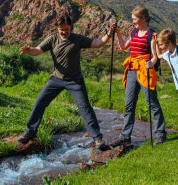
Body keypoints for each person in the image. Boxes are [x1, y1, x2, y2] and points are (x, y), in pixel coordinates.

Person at [18, 15, 115, 149]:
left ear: (71, 27)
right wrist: (29, 51)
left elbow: (97, 43)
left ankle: (97, 139)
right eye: (62, 30)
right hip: (56, 79)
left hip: (75, 81)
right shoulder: (52, 39)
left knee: (85, 108)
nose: (64, 32)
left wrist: (109, 35)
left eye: (67, 29)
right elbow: (38, 50)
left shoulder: (77, 39)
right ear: (57, 28)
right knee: (40, 102)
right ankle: (30, 132)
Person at [113, 6, 167, 146]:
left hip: (145, 70)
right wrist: (117, 32)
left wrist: (151, 62)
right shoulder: (134, 31)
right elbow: (124, 46)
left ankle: (160, 134)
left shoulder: (152, 35)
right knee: (129, 104)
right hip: (132, 70)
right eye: (132, 19)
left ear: (143, 18)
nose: (133, 22)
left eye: (135, 19)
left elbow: (155, 57)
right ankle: (125, 136)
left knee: (152, 103)